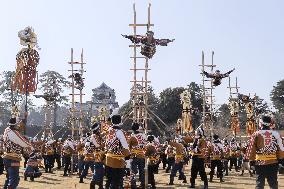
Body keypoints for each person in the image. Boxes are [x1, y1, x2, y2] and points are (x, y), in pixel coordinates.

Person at [245, 114, 284, 189]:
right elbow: (281, 149)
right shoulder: (276, 134)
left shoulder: (256, 134)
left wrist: (251, 161)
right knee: (273, 184)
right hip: (273, 162)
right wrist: (281, 160)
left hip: (260, 163)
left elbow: (251, 149)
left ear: (261, 123)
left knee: (259, 184)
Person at [3, 117, 33, 189]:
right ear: (16, 125)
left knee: (9, 178)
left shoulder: (7, 130)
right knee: (14, 179)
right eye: (18, 124)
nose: (20, 125)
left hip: (7, 158)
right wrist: (32, 148)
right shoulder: (15, 133)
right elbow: (24, 143)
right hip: (14, 159)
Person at [105, 114, 131, 189]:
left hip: (108, 159)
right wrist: (128, 160)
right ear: (120, 121)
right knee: (116, 181)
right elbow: (125, 146)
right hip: (117, 160)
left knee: (110, 179)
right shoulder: (119, 132)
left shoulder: (109, 130)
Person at [129, 122, 146, 189]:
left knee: (133, 171)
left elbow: (129, 147)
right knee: (142, 171)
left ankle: (133, 185)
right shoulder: (143, 135)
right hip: (142, 156)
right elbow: (145, 145)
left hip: (134, 156)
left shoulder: (132, 137)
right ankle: (143, 185)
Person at [90, 123, 105, 189]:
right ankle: (92, 184)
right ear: (96, 129)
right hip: (97, 155)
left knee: (101, 171)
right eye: (98, 129)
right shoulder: (93, 136)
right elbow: (98, 146)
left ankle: (100, 185)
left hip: (101, 155)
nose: (99, 130)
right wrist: (105, 144)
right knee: (97, 170)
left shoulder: (98, 136)